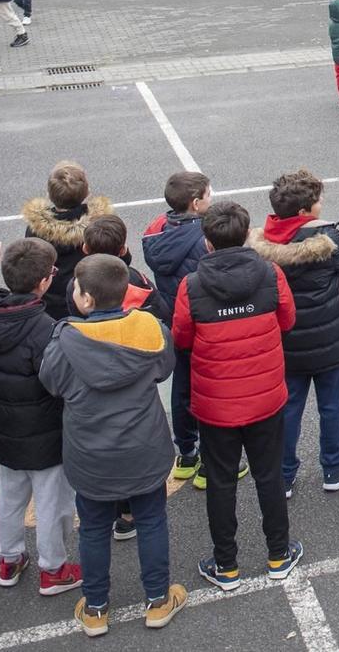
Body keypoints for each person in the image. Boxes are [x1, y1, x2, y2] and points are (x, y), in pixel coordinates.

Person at [41, 254, 186, 636]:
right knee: (152, 519)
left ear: (86, 299)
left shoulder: (66, 339)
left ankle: (96, 608)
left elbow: (52, 383)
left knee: (92, 527)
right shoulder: (149, 329)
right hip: (143, 446)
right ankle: (157, 601)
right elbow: (163, 368)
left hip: (89, 452)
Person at [174, 199, 303, 589]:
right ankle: (279, 554)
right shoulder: (269, 274)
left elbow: (181, 337)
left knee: (221, 480)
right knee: (268, 475)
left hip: (215, 403)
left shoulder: (192, 285)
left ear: (207, 242)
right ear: (247, 235)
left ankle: (226, 564)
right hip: (264, 396)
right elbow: (288, 320)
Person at [0, 238, 82, 598]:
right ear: (44, 282)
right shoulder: (44, 329)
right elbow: (58, 383)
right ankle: (53, 568)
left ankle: (9, 556)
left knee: (11, 492)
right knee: (53, 502)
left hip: (4, 426)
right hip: (45, 430)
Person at [254, 168, 339, 496]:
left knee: (289, 406)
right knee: (331, 404)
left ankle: (284, 474)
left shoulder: (265, 240)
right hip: (328, 338)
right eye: (317, 199)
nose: (321, 202)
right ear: (304, 211)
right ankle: (334, 467)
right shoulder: (326, 237)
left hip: (286, 340)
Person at [141, 171, 213, 480]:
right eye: (209, 194)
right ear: (196, 203)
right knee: (209, 388)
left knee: (182, 386)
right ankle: (212, 459)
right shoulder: (203, 238)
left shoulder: (157, 231)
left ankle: (186, 452)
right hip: (204, 322)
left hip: (174, 319)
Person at [22, 160, 116, 323]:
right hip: (89, 300)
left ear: (49, 194)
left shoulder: (35, 230)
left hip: (50, 304)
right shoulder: (98, 227)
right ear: (87, 192)